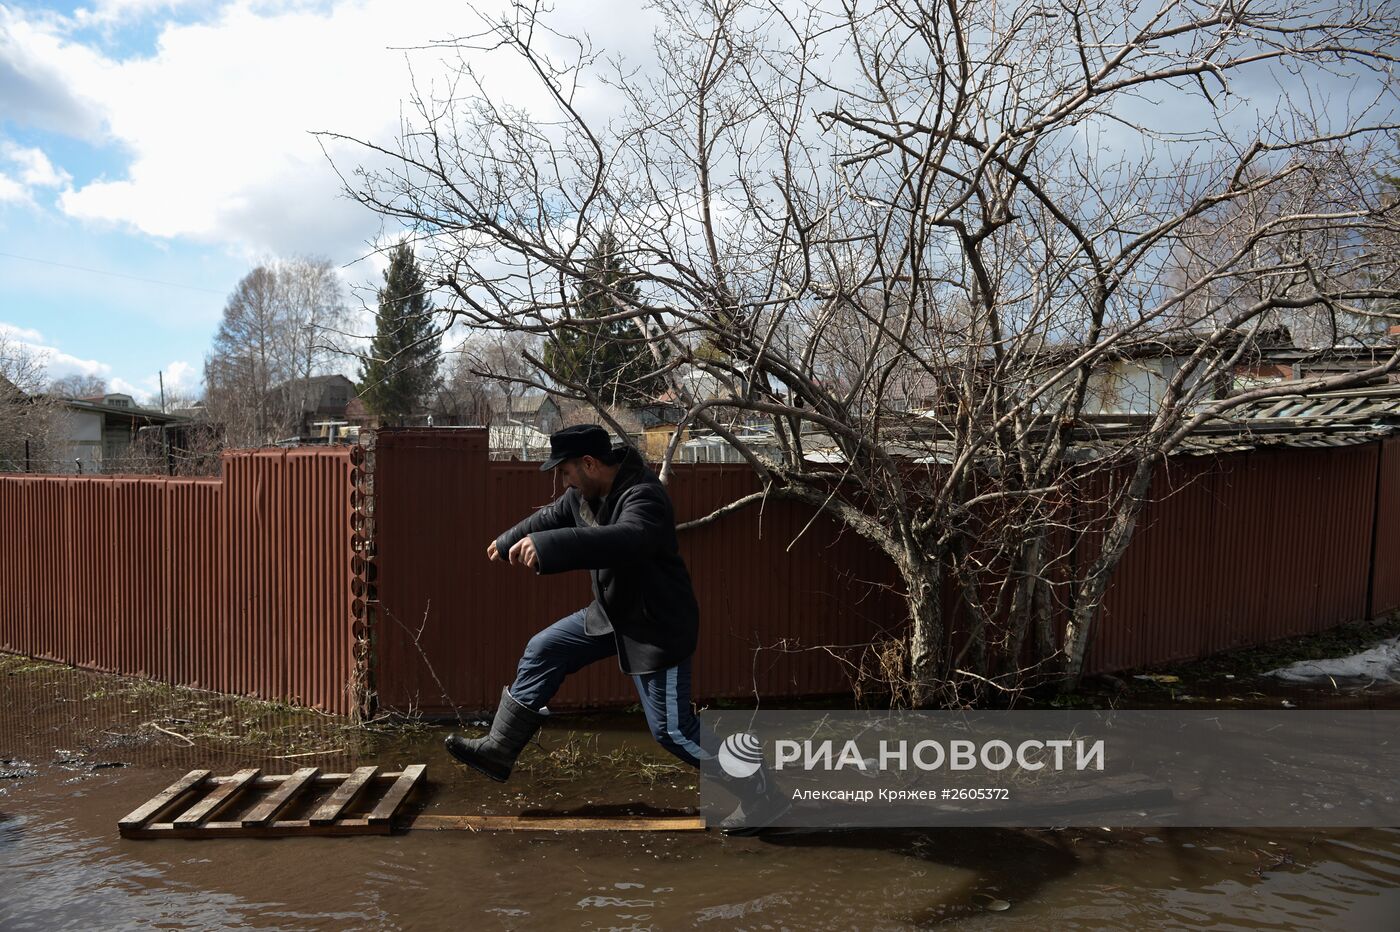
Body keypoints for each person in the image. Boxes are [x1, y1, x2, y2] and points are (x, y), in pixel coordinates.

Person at [444, 423, 786, 832]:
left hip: (656, 627)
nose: (562, 480)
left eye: (566, 471)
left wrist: (550, 548)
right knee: (544, 648)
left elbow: (627, 538)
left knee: (673, 732)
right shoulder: (582, 496)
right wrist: (507, 540)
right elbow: (551, 517)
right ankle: (499, 748)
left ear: (589, 463)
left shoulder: (644, 495)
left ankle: (762, 793)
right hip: (611, 616)